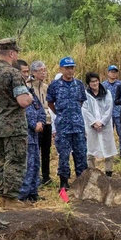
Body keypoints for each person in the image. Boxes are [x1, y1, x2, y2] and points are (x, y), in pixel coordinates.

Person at [0, 38, 33, 200]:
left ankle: (2, 196)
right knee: (16, 161)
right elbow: (23, 101)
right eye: (16, 53)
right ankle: (11, 198)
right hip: (14, 127)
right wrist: (30, 96)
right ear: (11, 53)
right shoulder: (13, 73)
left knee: (1, 161)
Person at [46, 57, 88, 191]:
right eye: (67, 68)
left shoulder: (79, 84)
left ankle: (81, 181)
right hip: (63, 126)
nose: (70, 71)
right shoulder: (55, 85)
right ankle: (64, 181)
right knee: (63, 155)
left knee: (81, 153)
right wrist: (61, 113)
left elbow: (81, 101)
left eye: (72, 68)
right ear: (61, 69)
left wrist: (73, 113)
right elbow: (50, 103)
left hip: (78, 125)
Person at [18, 71, 47, 203]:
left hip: (35, 136)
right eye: (23, 71)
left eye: (27, 72)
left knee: (35, 164)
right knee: (27, 166)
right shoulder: (17, 93)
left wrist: (40, 122)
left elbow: (40, 108)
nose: (26, 74)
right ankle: (23, 194)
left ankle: (33, 192)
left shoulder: (30, 92)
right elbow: (23, 114)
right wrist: (33, 125)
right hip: (25, 135)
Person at [83, 72, 118, 175]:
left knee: (108, 148)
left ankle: (109, 173)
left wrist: (102, 122)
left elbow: (109, 108)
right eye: (92, 81)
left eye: (96, 81)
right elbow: (85, 109)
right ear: (88, 83)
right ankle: (92, 172)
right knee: (90, 149)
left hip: (105, 126)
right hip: (91, 126)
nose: (94, 83)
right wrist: (93, 122)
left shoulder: (106, 93)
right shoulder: (85, 95)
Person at [28, 61, 55, 185]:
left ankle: (46, 175)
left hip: (47, 121)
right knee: (34, 150)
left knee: (46, 149)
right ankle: (34, 176)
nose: (44, 72)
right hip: (35, 121)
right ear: (33, 72)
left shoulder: (45, 86)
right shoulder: (28, 86)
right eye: (41, 70)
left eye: (45, 70)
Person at [102, 65, 121, 154]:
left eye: (115, 72)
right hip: (108, 113)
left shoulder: (120, 84)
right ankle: (108, 151)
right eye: (112, 72)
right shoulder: (103, 85)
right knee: (108, 134)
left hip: (118, 112)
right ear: (108, 73)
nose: (113, 74)